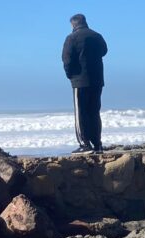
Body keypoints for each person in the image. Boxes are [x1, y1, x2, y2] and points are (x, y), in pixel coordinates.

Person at [62, 14, 107, 154]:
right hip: (97, 79)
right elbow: (104, 51)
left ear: (73, 25)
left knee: (81, 112)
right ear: (85, 22)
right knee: (94, 111)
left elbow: (67, 59)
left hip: (80, 80)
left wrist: (70, 75)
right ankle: (97, 143)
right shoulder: (97, 36)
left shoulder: (71, 38)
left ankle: (84, 143)